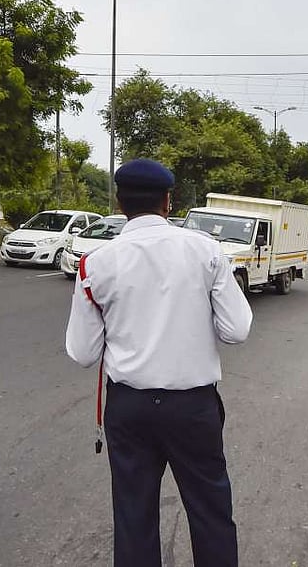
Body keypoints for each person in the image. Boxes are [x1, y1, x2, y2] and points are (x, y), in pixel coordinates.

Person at [66, 158, 252, 567]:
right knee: (210, 510)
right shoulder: (206, 251)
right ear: (168, 201)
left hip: (129, 408)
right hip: (193, 407)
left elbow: (82, 352)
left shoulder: (96, 263)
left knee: (134, 514)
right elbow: (237, 330)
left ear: (119, 202)